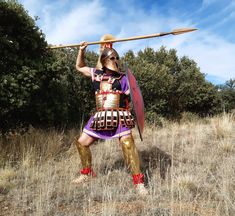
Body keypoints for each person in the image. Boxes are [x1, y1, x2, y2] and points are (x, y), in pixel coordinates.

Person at [72, 39, 148, 195]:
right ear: (104, 60)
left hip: (119, 115)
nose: (115, 61)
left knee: (127, 144)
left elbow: (134, 97)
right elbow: (79, 66)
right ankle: (87, 173)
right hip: (100, 116)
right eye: (112, 58)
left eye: (116, 58)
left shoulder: (123, 78)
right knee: (81, 143)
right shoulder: (96, 74)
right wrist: (81, 50)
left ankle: (139, 182)